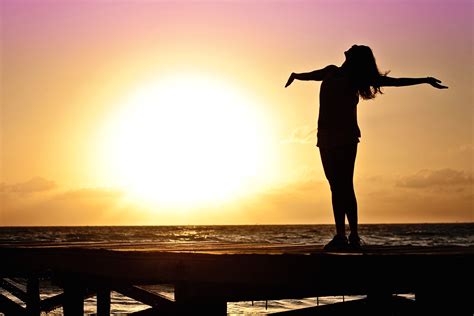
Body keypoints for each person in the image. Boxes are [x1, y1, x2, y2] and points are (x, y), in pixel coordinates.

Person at [285, 45, 447, 251]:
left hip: (346, 135)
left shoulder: (356, 78)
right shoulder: (330, 70)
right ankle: (341, 235)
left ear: (356, 58)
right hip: (324, 136)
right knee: (335, 186)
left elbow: (395, 82)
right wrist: (296, 75)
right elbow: (311, 75)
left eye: (355, 48)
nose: (350, 46)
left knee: (345, 184)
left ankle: (352, 235)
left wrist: (424, 80)